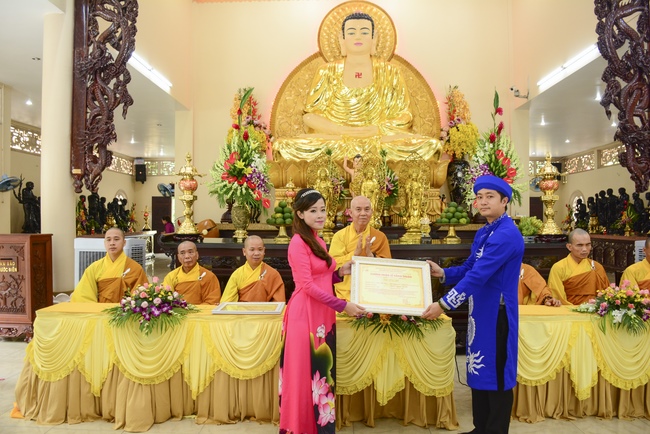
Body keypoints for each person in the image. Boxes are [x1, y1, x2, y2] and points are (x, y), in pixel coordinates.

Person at [422, 175, 524, 434]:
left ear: (504, 201)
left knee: (497, 375)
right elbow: (470, 267)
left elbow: (478, 276)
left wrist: (443, 304)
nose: (483, 201)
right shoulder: (484, 232)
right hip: (480, 312)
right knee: (479, 369)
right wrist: (443, 273)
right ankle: (481, 428)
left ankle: (495, 430)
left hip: (498, 313)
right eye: (479, 197)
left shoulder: (507, 234)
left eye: (490, 196)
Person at [272, 12, 441, 163]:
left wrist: (376, 129)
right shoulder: (327, 71)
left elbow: (405, 116)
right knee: (284, 146)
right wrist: (340, 130)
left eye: (365, 32)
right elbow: (310, 116)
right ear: (342, 38)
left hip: (379, 140)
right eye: (352, 32)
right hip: (337, 140)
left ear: (374, 38)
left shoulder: (390, 71)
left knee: (430, 146)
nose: (358, 37)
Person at [279, 188, 365, 434]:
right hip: (304, 314)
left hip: (322, 312)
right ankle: (301, 427)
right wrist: (343, 305)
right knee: (304, 374)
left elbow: (323, 276)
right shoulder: (298, 243)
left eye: (323, 210)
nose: (320, 215)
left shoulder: (317, 240)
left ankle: (320, 427)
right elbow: (306, 285)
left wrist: (341, 272)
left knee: (321, 372)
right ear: (300, 214)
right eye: (313, 210)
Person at [328, 195, 391, 301]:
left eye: (367, 209)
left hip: (372, 291)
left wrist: (371, 257)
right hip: (345, 294)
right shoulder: (340, 236)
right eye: (358, 209)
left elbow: (388, 268)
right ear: (350, 212)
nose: (363, 213)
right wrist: (354, 254)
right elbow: (333, 264)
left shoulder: (379, 237)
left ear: (371, 212)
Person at [71, 227, 148, 303]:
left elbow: (141, 298)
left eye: (116, 239)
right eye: (108, 240)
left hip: (124, 310)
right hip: (101, 310)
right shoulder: (94, 268)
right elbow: (83, 296)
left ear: (124, 243)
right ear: (105, 243)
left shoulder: (135, 268)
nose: (112, 243)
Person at [547, 228, 610, 305]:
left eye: (588, 245)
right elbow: (558, 299)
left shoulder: (597, 267)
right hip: (567, 310)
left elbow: (606, 296)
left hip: (593, 310)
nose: (585, 249)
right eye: (580, 245)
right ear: (569, 247)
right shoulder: (559, 268)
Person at [221, 235, 285, 302]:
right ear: (244, 251)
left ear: (264, 251)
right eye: (252, 250)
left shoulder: (273, 274)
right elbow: (227, 302)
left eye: (260, 249)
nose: (256, 253)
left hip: (265, 309)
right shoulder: (237, 274)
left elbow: (278, 302)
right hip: (242, 309)